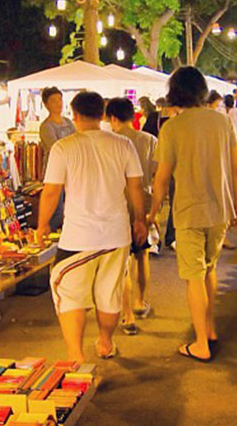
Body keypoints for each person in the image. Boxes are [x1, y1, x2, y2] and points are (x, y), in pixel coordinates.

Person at [37, 91, 147, 362]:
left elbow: (51, 192)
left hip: (78, 237)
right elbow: (136, 187)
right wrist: (140, 220)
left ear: (74, 115)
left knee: (70, 296)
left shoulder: (64, 147)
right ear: (103, 115)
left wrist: (41, 225)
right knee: (109, 295)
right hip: (116, 234)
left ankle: (76, 356)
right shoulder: (123, 145)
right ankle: (106, 343)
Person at [148, 67, 237, 362]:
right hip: (219, 209)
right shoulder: (222, 122)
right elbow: (235, 169)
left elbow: (162, 178)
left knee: (194, 277)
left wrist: (153, 212)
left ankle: (201, 342)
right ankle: (210, 327)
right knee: (210, 270)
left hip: (189, 211)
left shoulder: (171, 128)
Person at [106, 98, 158, 335]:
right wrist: (155, 209)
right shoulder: (149, 140)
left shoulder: (112, 143)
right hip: (144, 204)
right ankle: (140, 302)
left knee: (122, 262)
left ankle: (126, 316)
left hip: (118, 206)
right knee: (142, 255)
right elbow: (159, 176)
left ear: (113, 118)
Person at [39, 87, 76, 230]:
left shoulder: (68, 122)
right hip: (55, 172)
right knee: (56, 209)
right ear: (46, 104)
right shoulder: (46, 126)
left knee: (71, 206)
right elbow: (55, 148)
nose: (58, 103)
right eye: (53, 101)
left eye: (59, 99)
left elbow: (77, 141)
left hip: (72, 171)